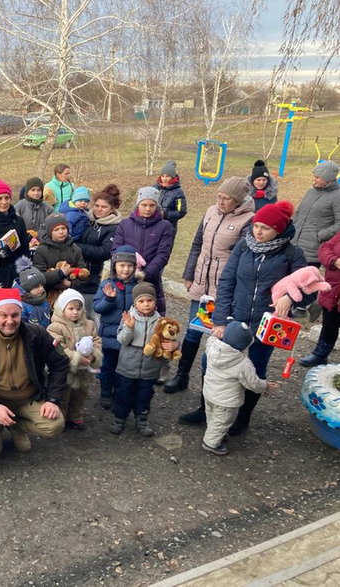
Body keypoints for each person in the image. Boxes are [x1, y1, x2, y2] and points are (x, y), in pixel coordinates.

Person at [211, 200, 308, 435]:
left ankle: (242, 419)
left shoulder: (292, 253)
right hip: (236, 320)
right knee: (217, 364)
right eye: (256, 226)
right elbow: (226, 282)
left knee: (254, 370)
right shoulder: (244, 247)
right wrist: (221, 320)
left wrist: (291, 299)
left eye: (265, 228)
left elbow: (308, 289)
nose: (258, 231)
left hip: (267, 326)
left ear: (279, 229)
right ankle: (208, 410)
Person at [165, 177, 254, 396]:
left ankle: (210, 388)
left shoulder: (249, 220)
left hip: (224, 289)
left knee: (217, 338)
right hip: (201, 283)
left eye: (226, 199)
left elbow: (240, 259)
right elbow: (197, 244)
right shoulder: (210, 212)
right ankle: (181, 375)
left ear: (239, 200)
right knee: (193, 331)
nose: (220, 202)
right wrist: (188, 274)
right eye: (219, 197)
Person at [0, 288, 68, 456]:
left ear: (21, 313)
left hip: (28, 398)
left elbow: (60, 363)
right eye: (4, 315)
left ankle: (16, 427)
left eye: (15, 315)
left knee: (55, 425)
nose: (9, 321)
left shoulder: (37, 334)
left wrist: (53, 399)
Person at [110, 282, 175, 437]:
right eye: (141, 301)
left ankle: (142, 418)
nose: (146, 304)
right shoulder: (128, 318)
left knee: (144, 395)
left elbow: (165, 345)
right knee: (123, 394)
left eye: (149, 300)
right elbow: (122, 340)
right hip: (127, 367)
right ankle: (119, 418)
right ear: (135, 303)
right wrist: (129, 328)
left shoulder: (162, 322)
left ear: (155, 302)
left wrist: (168, 353)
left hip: (149, 369)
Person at [201, 322, 276, 455]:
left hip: (209, 392)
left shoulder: (212, 346)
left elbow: (212, 338)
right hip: (226, 401)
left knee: (212, 415)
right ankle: (211, 443)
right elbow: (253, 384)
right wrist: (265, 385)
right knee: (222, 421)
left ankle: (214, 433)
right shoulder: (243, 364)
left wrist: (217, 332)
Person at [111, 186, 174, 314]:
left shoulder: (164, 226)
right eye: (144, 204)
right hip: (124, 276)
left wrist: (145, 274)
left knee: (149, 315)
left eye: (152, 205)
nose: (147, 209)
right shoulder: (125, 224)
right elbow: (116, 249)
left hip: (150, 279)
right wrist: (126, 269)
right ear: (138, 204)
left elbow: (163, 254)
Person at [47, 289, 102, 430]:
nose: (75, 312)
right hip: (65, 371)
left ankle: (76, 415)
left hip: (84, 371)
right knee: (64, 396)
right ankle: (61, 418)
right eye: (70, 308)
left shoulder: (89, 325)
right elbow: (59, 348)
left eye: (78, 308)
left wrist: (94, 355)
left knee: (80, 395)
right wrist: (76, 357)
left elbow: (96, 341)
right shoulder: (56, 327)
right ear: (62, 309)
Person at [93, 246, 140, 409]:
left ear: (134, 267)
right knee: (107, 367)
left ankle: (121, 394)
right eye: (122, 265)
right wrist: (109, 299)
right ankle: (105, 393)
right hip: (108, 336)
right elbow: (97, 307)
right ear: (114, 266)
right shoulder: (107, 284)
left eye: (129, 266)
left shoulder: (138, 286)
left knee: (124, 369)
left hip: (128, 336)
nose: (125, 269)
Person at [75, 184, 123, 317]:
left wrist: (75, 247)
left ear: (112, 209)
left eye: (104, 207)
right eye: (96, 205)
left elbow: (104, 252)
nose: (99, 210)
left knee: (89, 316)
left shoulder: (114, 227)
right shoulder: (85, 219)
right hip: (76, 275)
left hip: (94, 279)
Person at [299, 230, 340, 366]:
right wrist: (334, 261)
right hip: (333, 289)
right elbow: (325, 248)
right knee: (329, 323)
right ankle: (320, 354)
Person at [293, 160, 340, 268]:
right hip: (294, 245)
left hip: (312, 251)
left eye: (317, 177)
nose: (313, 179)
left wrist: (319, 236)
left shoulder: (337, 196)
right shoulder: (311, 192)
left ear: (328, 178)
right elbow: (298, 213)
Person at [32, 213, 89, 299]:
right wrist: (59, 274)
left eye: (64, 228)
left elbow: (84, 275)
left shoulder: (75, 249)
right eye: (56, 229)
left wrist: (70, 284)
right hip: (49, 296)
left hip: (71, 296)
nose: (61, 232)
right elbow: (39, 276)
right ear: (50, 232)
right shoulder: (42, 251)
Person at [154, 160, 187, 232]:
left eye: (168, 176)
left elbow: (181, 212)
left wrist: (165, 214)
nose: (164, 179)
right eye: (162, 176)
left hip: (168, 228)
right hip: (153, 225)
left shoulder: (178, 192)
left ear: (172, 177)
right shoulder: (155, 188)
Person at [15, 263, 50, 327]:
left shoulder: (44, 300)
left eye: (42, 285)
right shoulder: (22, 306)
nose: (41, 289)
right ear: (27, 288)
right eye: (36, 287)